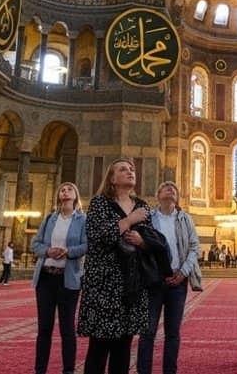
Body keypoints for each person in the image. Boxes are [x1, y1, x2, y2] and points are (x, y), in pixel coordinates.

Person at [78, 158, 153, 374]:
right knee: (99, 347)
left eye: (132, 169)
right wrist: (129, 221)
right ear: (112, 179)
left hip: (132, 285)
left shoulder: (142, 206)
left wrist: (142, 242)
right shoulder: (100, 203)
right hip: (103, 285)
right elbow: (98, 235)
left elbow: (152, 243)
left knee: (123, 347)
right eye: (123, 169)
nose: (130, 171)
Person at [140, 181, 202, 374]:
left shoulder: (185, 219)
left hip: (178, 282)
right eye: (166, 187)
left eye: (174, 188)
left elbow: (194, 247)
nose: (171, 189)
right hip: (153, 282)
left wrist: (183, 272)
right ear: (158, 195)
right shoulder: (148, 218)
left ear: (177, 197)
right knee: (147, 332)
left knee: (173, 333)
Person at [31, 181, 87, 374]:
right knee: (44, 329)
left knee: (67, 329)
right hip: (45, 279)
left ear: (75, 196)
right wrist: (48, 251)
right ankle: (40, 370)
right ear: (58, 196)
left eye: (69, 189)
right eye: (62, 189)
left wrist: (68, 252)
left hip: (68, 280)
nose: (65, 191)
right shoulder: (49, 219)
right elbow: (35, 244)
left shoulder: (82, 220)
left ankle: (69, 370)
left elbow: (86, 246)